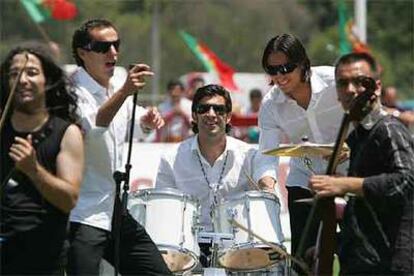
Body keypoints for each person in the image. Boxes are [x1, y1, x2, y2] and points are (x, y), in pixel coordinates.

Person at [67, 19, 171, 275]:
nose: (113, 52)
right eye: (103, 46)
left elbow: (136, 121)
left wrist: (148, 120)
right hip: (81, 213)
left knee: (158, 272)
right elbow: (94, 126)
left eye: (116, 45)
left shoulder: (117, 84)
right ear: (82, 52)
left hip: (113, 209)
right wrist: (124, 92)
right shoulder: (71, 89)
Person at [310, 52, 414, 274]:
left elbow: (406, 181)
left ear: (376, 88)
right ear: (337, 92)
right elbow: (367, 208)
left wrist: (346, 185)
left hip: (391, 262)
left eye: (359, 81)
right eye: (343, 83)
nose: (350, 89)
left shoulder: (388, 129)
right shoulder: (358, 136)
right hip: (364, 261)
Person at [155, 84, 276, 267]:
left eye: (219, 110)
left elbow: (262, 205)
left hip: (239, 251)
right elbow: (163, 213)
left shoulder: (248, 156)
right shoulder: (170, 158)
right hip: (188, 250)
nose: (211, 114)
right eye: (203, 109)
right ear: (194, 116)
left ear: (228, 117)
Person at [257, 34, 347, 261]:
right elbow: (266, 155)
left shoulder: (335, 81)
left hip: (349, 177)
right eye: (272, 69)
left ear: (302, 63)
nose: (279, 76)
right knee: (302, 260)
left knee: (358, 254)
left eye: (286, 67)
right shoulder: (270, 105)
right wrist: (267, 186)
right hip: (305, 180)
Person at [0, 43, 84, 274]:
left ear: (47, 80)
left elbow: (69, 199)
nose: (22, 80)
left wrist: (33, 169)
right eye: (14, 74)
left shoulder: (66, 133)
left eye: (32, 72)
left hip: (42, 264)